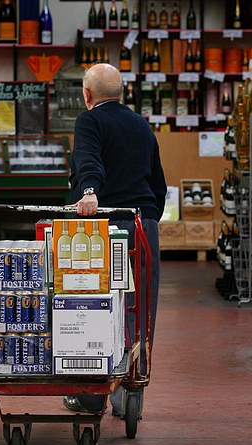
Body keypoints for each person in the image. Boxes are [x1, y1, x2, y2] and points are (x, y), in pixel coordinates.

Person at [63, 63, 167, 418]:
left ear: (87, 95)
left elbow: (88, 160)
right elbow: (158, 183)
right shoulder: (142, 125)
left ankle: (92, 395)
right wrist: (150, 218)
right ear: (122, 93)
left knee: (94, 306)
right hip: (143, 224)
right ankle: (130, 390)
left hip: (106, 225)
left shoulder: (89, 120)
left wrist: (89, 190)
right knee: (139, 308)